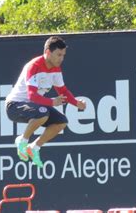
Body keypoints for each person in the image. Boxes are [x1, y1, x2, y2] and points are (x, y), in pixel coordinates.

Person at [5, 35, 86, 168]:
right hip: (14, 106)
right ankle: (22, 140)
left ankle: (34, 148)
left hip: (36, 107)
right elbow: (32, 96)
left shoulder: (56, 69)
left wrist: (76, 103)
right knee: (43, 113)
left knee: (61, 122)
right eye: (58, 54)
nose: (61, 58)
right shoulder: (34, 66)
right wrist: (52, 102)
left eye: (63, 55)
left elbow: (63, 91)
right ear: (48, 52)